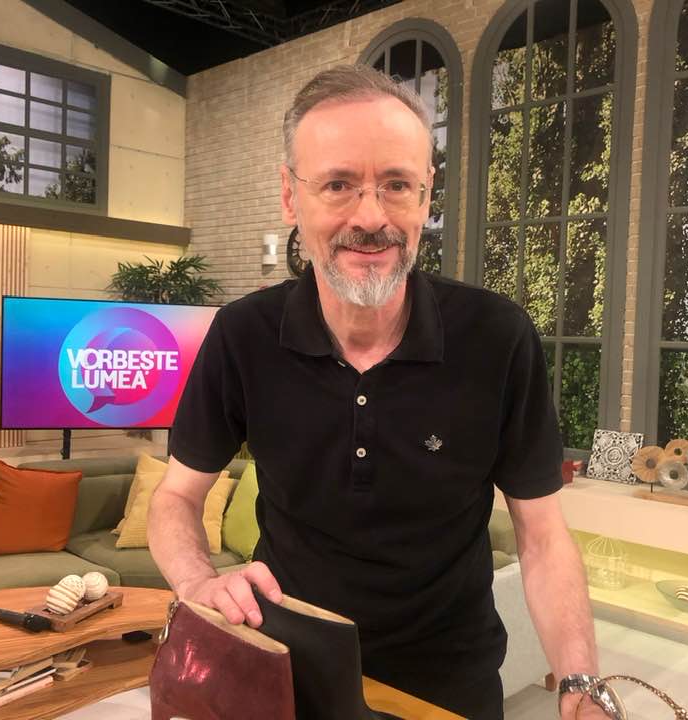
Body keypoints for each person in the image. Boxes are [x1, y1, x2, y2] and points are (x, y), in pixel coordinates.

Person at [149, 65, 608, 720]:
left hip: (447, 690)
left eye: (396, 185)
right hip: (285, 675)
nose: (371, 218)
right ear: (290, 196)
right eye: (338, 184)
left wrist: (582, 683)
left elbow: (542, 538)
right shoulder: (242, 335)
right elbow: (176, 497)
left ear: (426, 197)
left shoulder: (497, 337)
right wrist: (198, 581)